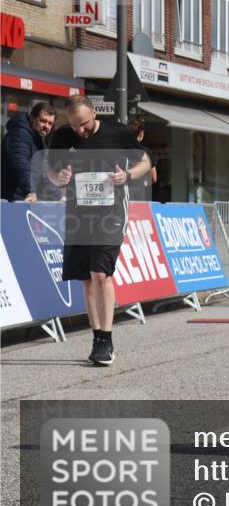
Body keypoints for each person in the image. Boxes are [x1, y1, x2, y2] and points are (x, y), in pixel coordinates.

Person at [46, 95, 151, 366]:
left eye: (83, 123)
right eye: (74, 126)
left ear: (93, 113)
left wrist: (127, 176)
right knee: (87, 278)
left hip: (112, 212)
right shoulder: (62, 138)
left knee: (100, 273)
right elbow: (52, 172)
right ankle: (97, 338)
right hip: (80, 215)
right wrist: (59, 178)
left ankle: (107, 338)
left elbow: (145, 161)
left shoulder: (117, 132)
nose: (80, 131)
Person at [2, 102, 55, 201]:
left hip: (24, 197)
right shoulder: (20, 133)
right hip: (12, 199)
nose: (46, 126)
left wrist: (58, 195)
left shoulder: (38, 139)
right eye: (43, 121)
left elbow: (44, 173)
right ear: (32, 118)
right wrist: (31, 191)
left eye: (50, 123)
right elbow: (21, 164)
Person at [125, 118, 157, 202]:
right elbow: (154, 178)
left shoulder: (120, 151)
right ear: (141, 134)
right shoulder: (147, 153)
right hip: (141, 194)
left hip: (124, 193)